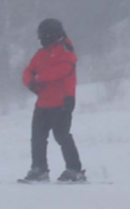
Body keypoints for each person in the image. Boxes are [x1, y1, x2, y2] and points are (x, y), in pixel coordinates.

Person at [21, 18, 84, 183]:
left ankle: (75, 170)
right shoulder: (41, 54)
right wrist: (29, 81)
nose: (41, 39)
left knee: (62, 137)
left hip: (62, 102)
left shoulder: (66, 51)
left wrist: (39, 78)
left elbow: (63, 69)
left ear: (52, 34)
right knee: (38, 139)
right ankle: (39, 169)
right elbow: (29, 70)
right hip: (43, 103)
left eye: (44, 35)